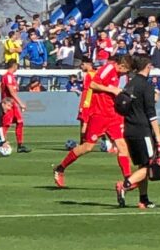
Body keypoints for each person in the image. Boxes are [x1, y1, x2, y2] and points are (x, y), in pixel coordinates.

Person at [54, 55, 129, 190]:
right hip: (99, 114)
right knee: (87, 147)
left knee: (122, 146)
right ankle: (60, 168)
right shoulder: (108, 69)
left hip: (112, 115)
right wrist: (112, 89)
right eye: (126, 70)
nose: (125, 73)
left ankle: (128, 180)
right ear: (121, 66)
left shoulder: (117, 74)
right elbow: (93, 84)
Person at [114, 52, 160, 210]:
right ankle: (125, 185)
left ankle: (144, 199)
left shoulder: (129, 83)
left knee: (142, 164)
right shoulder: (147, 86)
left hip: (129, 129)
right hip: (142, 130)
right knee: (151, 165)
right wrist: (158, 135)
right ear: (148, 66)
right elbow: (151, 113)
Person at [0, 59, 28, 152]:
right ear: (14, 65)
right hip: (8, 105)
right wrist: (21, 103)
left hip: (13, 104)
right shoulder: (8, 76)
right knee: (6, 125)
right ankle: (1, 144)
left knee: (20, 122)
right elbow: (11, 92)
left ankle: (20, 145)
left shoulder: (11, 76)